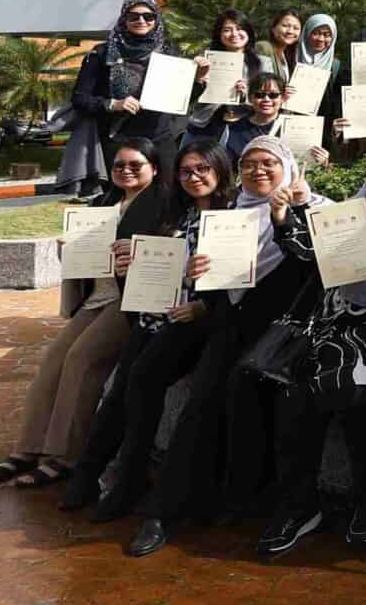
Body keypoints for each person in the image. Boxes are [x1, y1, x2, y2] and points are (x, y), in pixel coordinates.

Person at [114, 135, 317, 559]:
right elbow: (214, 287)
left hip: (284, 331)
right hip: (232, 324)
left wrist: (285, 217)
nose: (258, 171)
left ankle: (238, 497)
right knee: (199, 399)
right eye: (249, 164)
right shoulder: (229, 214)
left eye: (269, 163)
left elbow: (311, 264)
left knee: (239, 393)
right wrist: (201, 275)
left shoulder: (313, 208)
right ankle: (162, 511)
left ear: (287, 167)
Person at [0, 138, 173, 488]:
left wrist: (138, 253)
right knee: (54, 358)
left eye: (136, 165)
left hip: (129, 300)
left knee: (82, 359)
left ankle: (66, 455)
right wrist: (69, 249)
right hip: (96, 298)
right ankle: (29, 448)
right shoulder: (103, 201)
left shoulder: (164, 204)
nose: (126, 171)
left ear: (155, 168)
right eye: (119, 166)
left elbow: (169, 252)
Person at [257, 149, 366, 557]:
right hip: (325, 327)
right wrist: (282, 220)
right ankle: (300, 505)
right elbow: (309, 254)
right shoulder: (349, 217)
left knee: (360, 393)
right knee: (294, 396)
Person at [63, 0, 181, 196]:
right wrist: (113, 104)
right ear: (123, 19)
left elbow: (182, 98)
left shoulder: (170, 53)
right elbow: (80, 98)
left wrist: (199, 80)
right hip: (119, 140)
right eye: (133, 16)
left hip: (160, 138)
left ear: (156, 19)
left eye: (148, 16)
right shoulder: (101, 54)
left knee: (166, 196)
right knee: (121, 197)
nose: (141, 21)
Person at [185, 10, 265, 143]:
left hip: (243, 128)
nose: (234, 34)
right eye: (227, 30)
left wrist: (247, 95)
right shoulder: (206, 60)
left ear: (248, 32)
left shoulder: (262, 64)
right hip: (205, 126)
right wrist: (198, 79)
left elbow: (269, 98)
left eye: (240, 29)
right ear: (219, 34)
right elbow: (188, 99)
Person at [197, 72, 286, 168]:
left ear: (282, 98)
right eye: (259, 95)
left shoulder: (290, 127)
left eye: (273, 95)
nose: (266, 99)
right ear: (250, 98)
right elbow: (224, 166)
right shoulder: (234, 130)